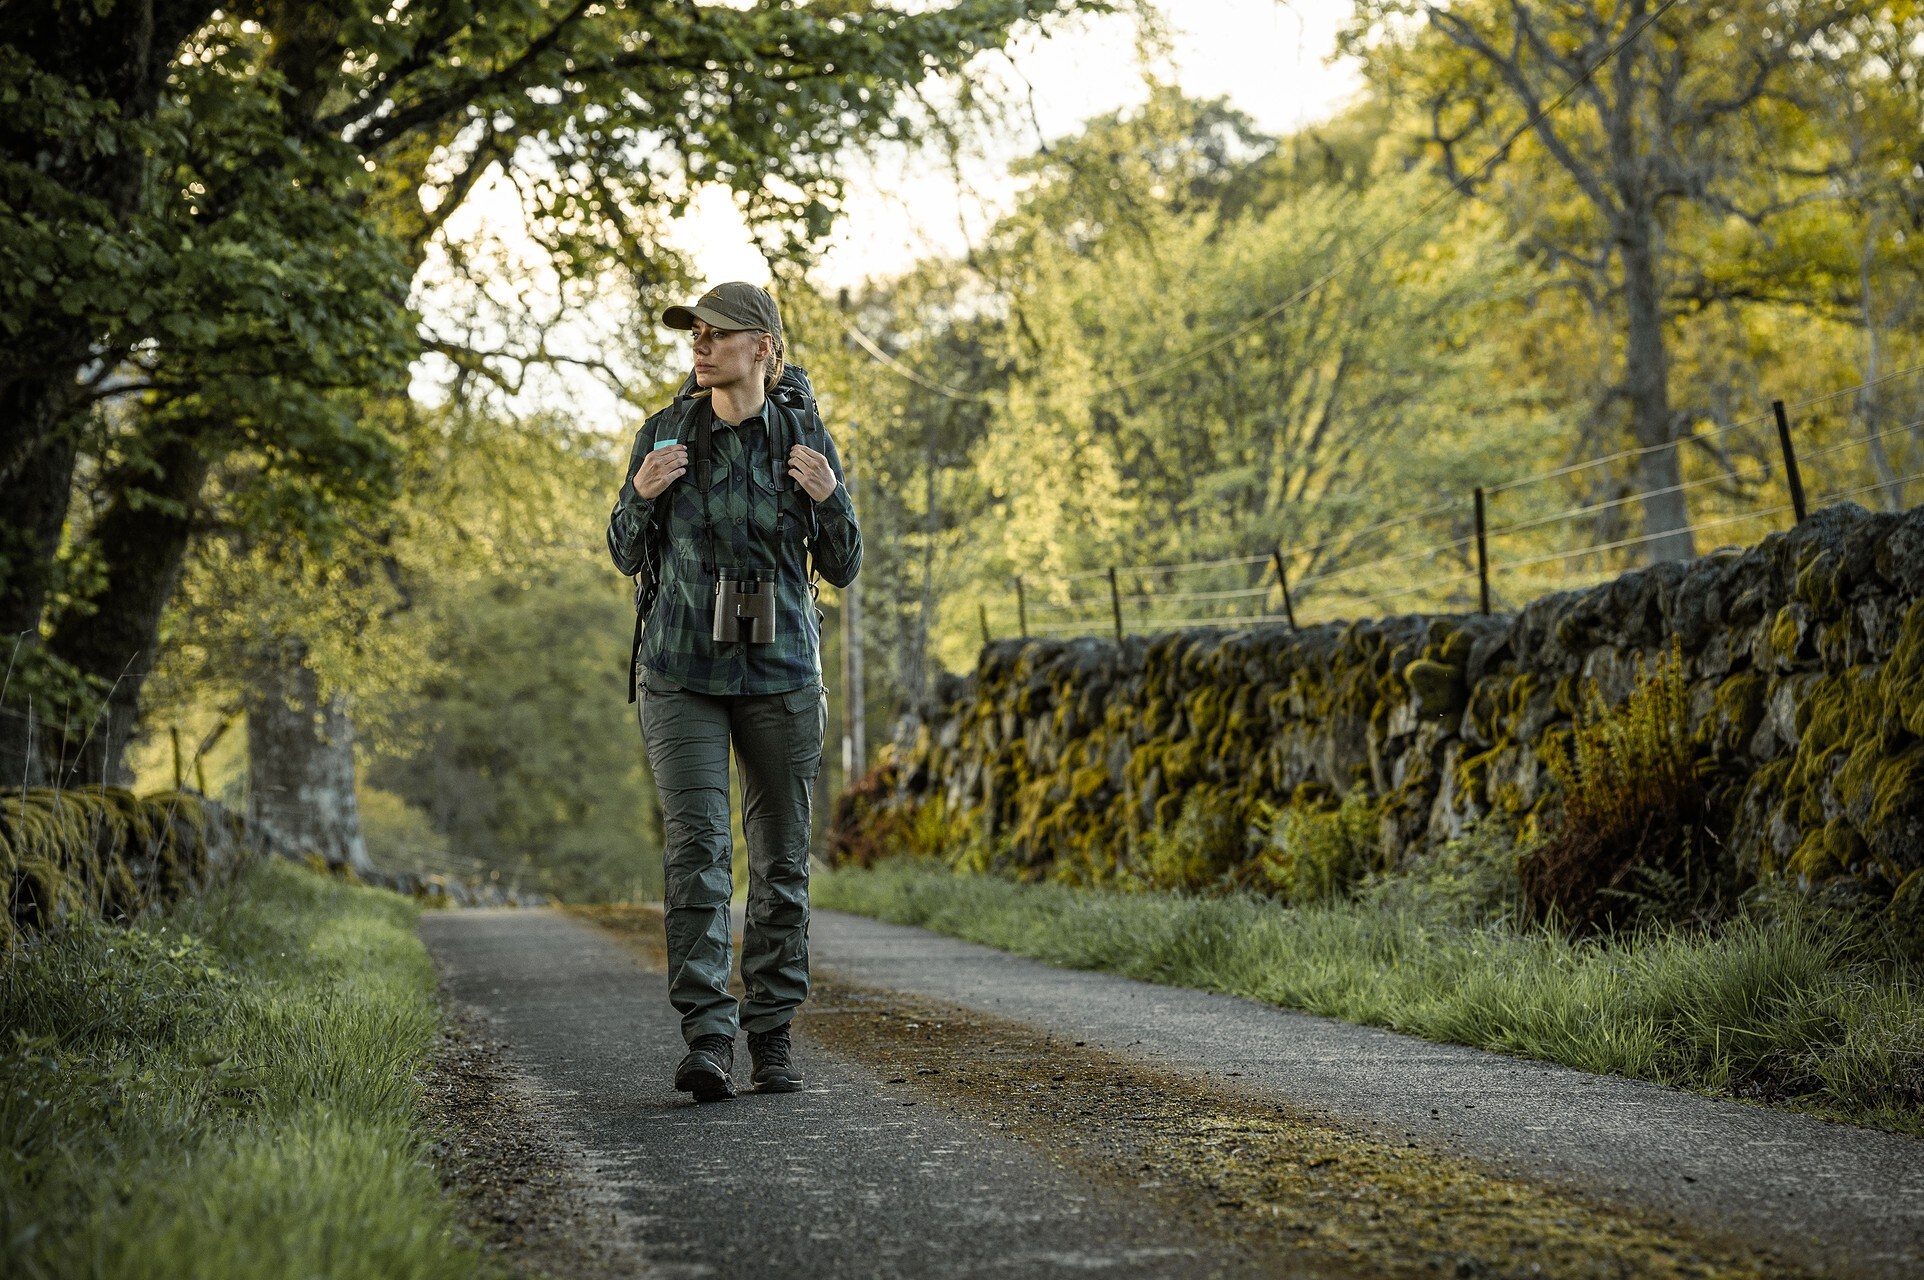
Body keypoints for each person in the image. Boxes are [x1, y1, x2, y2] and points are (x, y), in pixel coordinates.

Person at [607, 281, 861, 1102]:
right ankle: (709, 1038)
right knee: (698, 853)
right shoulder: (665, 433)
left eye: (718, 333)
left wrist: (830, 498)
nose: (700, 344)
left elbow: (846, 563)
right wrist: (639, 499)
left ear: (762, 347)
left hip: (781, 672)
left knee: (782, 859)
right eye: (695, 333)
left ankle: (773, 1035)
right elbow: (621, 550)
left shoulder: (804, 435)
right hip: (680, 673)